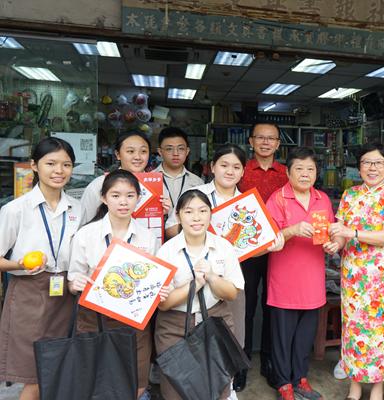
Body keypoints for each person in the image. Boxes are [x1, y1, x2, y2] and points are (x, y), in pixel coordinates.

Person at [68, 169, 166, 400]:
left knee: (137, 378)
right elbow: (73, 280)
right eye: (115, 195)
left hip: (133, 320)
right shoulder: (86, 235)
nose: (123, 202)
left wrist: (159, 289)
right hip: (94, 318)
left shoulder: (147, 237)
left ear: (138, 198)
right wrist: (75, 283)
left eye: (130, 195)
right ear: (103, 198)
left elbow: (153, 279)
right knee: (97, 378)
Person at [0, 137, 82, 400]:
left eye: (66, 164)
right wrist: (19, 264)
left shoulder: (77, 208)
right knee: (33, 374)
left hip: (66, 294)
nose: (59, 171)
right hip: (29, 295)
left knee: (58, 370)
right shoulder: (16, 209)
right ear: (34, 166)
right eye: (51, 163)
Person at [328, 143, 384, 400]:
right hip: (354, 276)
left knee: (381, 333)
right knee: (353, 330)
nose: (372, 168)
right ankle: (354, 387)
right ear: (359, 167)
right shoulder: (349, 195)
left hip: (383, 279)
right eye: (367, 162)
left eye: (378, 163)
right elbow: (340, 232)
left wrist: (351, 233)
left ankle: (377, 389)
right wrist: (335, 243)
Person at [154, 190, 246, 400]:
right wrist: (195, 284)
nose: (196, 217)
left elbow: (232, 293)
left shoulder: (223, 247)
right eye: (189, 212)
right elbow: (164, 304)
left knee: (217, 386)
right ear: (178, 216)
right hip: (174, 328)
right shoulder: (167, 251)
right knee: (177, 389)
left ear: (210, 214)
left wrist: (212, 277)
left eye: (203, 211)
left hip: (216, 321)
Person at [265, 148, 338, 400]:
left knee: (305, 335)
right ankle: (283, 383)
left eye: (310, 169)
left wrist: (332, 243)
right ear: (288, 172)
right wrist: (292, 230)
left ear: (317, 173)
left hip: (313, 280)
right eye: (299, 169)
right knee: (283, 337)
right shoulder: (278, 199)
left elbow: (329, 232)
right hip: (284, 280)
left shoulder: (322, 199)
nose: (305, 174)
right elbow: (267, 239)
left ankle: (300, 378)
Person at [185, 144, 248, 400]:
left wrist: (271, 243)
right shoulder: (196, 195)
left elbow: (255, 243)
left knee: (232, 332)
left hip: (231, 274)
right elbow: (175, 228)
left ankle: (227, 387)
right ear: (212, 167)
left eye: (236, 167)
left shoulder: (247, 204)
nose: (229, 171)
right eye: (224, 165)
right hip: (195, 271)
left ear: (243, 171)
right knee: (197, 330)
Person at [236, 122, 289, 389]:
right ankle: (241, 362)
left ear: (278, 143)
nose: (266, 142)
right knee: (245, 307)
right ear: (251, 141)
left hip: (278, 250)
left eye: (271, 138)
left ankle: (269, 361)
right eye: (260, 138)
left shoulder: (286, 173)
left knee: (273, 307)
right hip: (246, 251)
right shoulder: (240, 170)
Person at [79, 130, 175, 233]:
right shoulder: (100, 184)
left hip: (147, 241)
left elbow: (172, 227)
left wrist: (164, 214)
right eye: (130, 151)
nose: (137, 157)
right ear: (118, 154)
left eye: (143, 151)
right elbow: (84, 223)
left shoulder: (157, 184)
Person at [153, 127, 204, 207]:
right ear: (160, 152)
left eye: (181, 148)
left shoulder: (198, 183)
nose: (175, 153)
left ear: (187, 151)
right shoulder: (149, 180)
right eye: (169, 149)